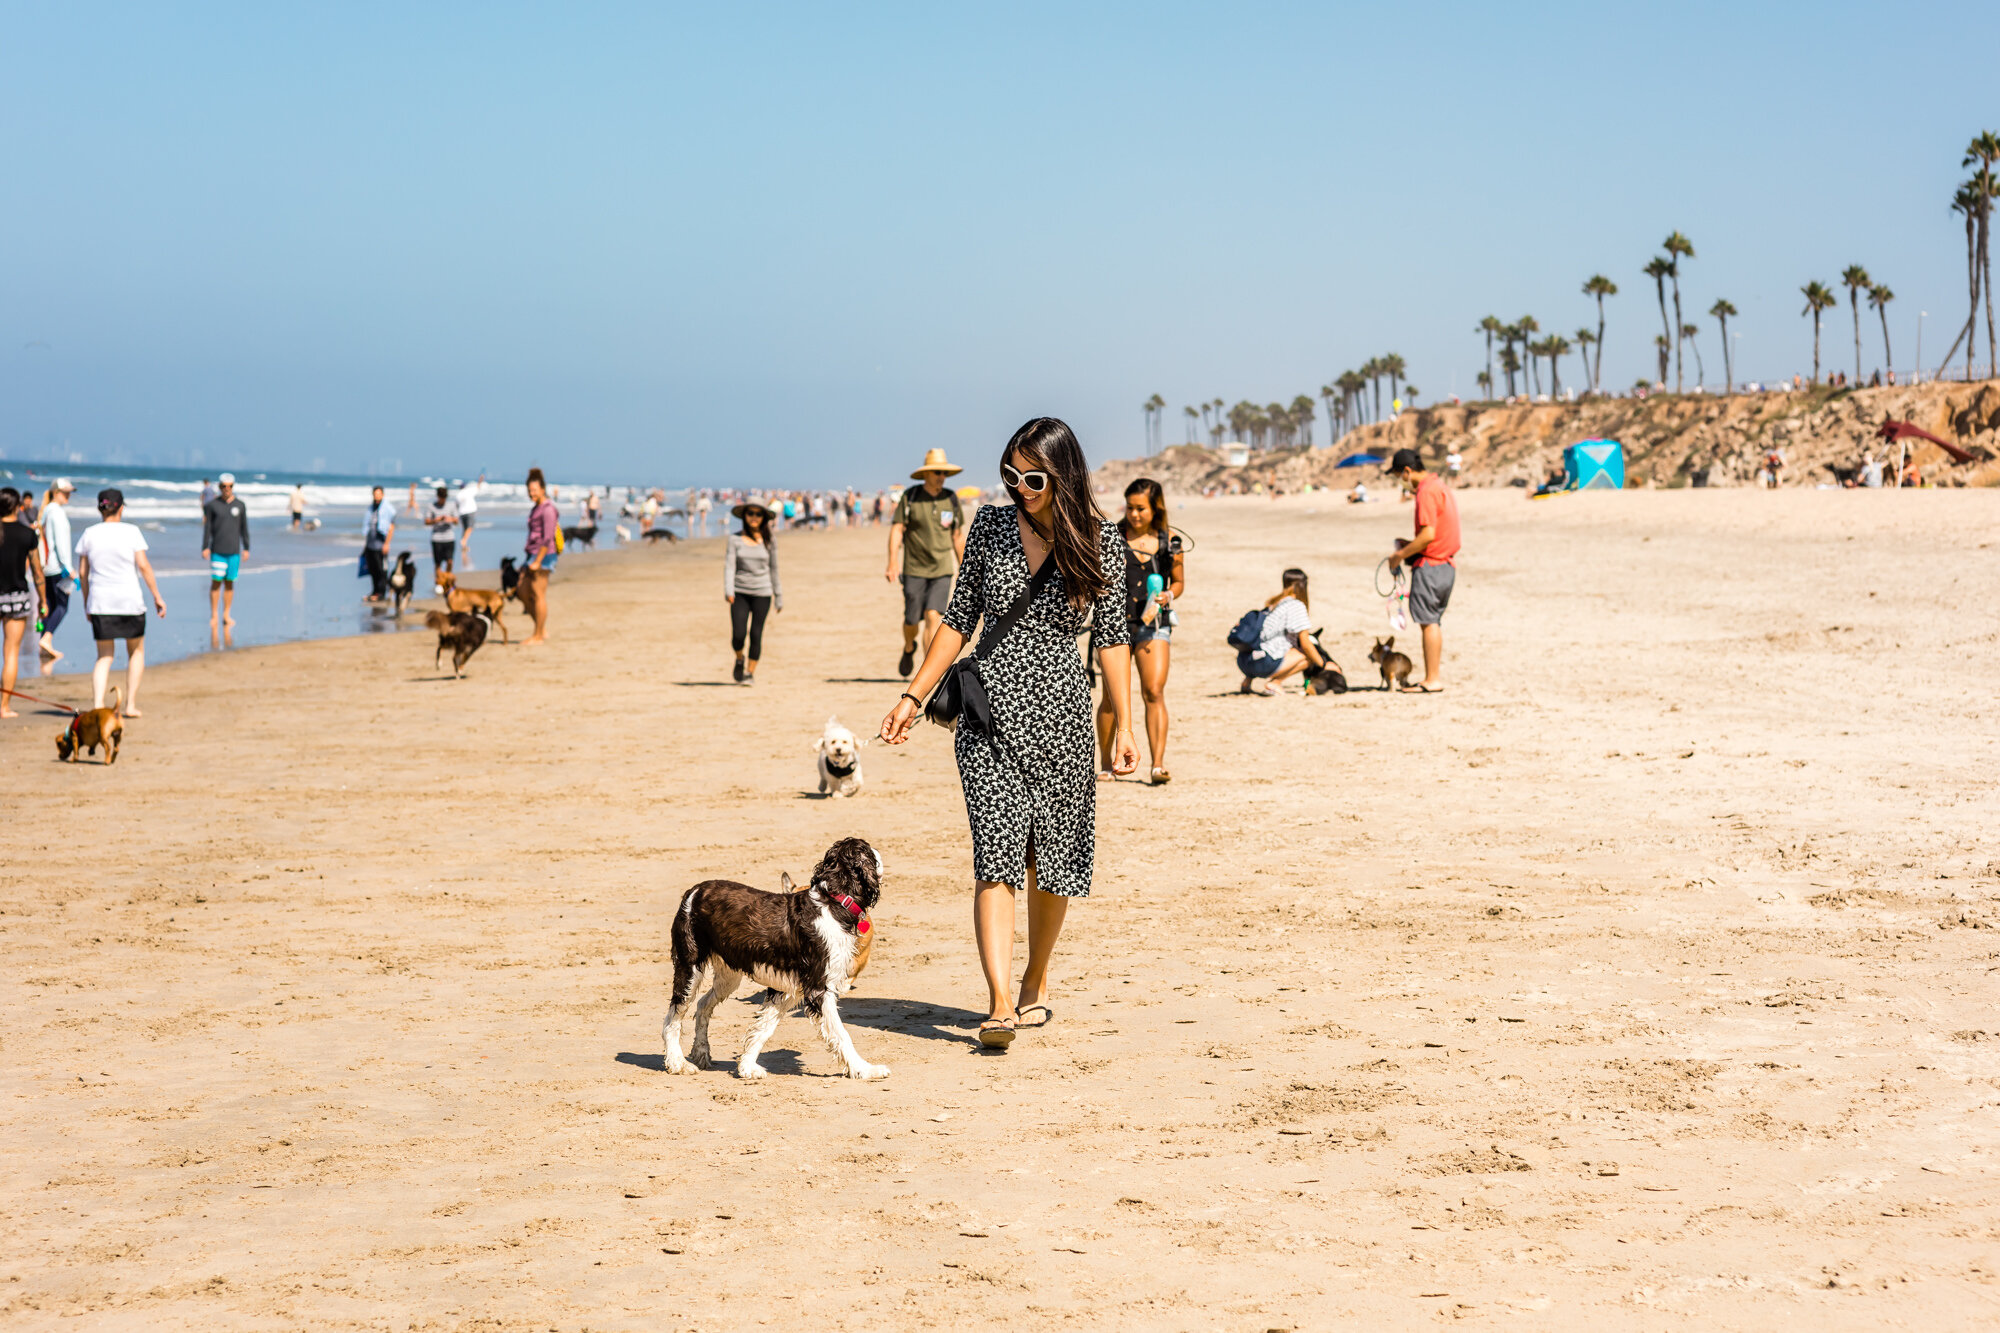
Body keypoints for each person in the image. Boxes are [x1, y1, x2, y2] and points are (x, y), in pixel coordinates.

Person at [879, 417, 1137, 1050]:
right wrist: (914, 695)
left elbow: (1111, 640)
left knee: (1054, 865)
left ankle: (1035, 978)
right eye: (1010, 475)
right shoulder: (992, 526)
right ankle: (997, 1004)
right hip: (988, 714)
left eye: (1033, 476)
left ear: (1062, 474)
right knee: (995, 856)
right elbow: (960, 618)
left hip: (1066, 720)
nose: (1019, 487)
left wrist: (1124, 723)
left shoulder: (1100, 543)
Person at [1096, 477, 1183, 784]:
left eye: (1141, 509)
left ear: (1155, 508)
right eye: (1130, 508)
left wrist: (1168, 595)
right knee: (1110, 697)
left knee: (1154, 691)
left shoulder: (1170, 542)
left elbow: (1179, 582)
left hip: (1154, 623)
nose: (1134, 514)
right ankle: (1106, 762)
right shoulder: (1111, 538)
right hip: (1114, 625)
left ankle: (1157, 765)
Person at [74, 488, 165, 716]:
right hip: (129, 601)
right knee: (136, 651)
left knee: (104, 656)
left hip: (100, 602)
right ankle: (130, 705)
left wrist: (87, 602)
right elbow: (143, 566)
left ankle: (97, 706)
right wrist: (157, 596)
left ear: (100, 508)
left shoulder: (89, 533)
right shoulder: (132, 532)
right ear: (121, 508)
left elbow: (83, 573)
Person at [886, 448, 968, 679]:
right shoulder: (910, 498)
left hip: (942, 569)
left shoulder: (951, 499)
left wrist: (966, 567)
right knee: (912, 620)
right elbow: (897, 530)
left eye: (944, 472)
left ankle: (928, 671)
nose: (941, 476)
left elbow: (957, 536)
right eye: (937, 472)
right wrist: (892, 561)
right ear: (926, 475)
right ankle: (909, 646)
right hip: (914, 569)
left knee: (934, 615)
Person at [1386, 447, 1460, 693]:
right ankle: (1432, 676)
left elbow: (1428, 535)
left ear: (1407, 471)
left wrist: (1399, 555)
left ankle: (1432, 679)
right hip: (1446, 564)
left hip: (1432, 566)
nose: (1400, 481)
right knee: (1432, 620)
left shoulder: (1426, 492)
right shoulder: (1439, 485)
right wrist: (1409, 546)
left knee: (1428, 622)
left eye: (1398, 475)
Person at [1236, 568, 1328, 695]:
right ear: (1303, 585)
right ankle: (1275, 683)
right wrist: (1323, 664)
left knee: (1267, 643)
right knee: (1309, 656)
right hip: (1264, 664)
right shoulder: (1296, 606)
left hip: (1244, 662)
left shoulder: (1273, 603)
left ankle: (1247, 682)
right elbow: (1306, 645)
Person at [0, 488, 50, 719]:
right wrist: (43, 600)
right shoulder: (27, 534)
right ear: (18, 506)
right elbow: (38, 573)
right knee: (11, 653)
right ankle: (4, 706)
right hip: (17, 598)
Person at [723, 501, 781, 684]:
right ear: (744, 516)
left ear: (763, 517)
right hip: (739, 592)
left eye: (758, 514)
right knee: (738, 634)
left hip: (763, 593)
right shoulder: (735, 539)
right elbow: (730, 566)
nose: (754, 517)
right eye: (750, 513)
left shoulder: (770, 540)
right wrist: (728, 589)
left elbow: (774, 569)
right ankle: (739, 658)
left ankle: (749, 673)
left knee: (756, 634)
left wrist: (778, 596)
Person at [200, 472, 251, 630]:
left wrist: (247, 548)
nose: (227, 489)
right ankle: (214, 614)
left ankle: (226, 615)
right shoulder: (212, 506)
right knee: (216, 583)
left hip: (234, 551)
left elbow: (244, 528)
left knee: (229, 583)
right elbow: (207, 527)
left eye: (230, 486)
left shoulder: (240, 505)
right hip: (217, 551)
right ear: (220, 487)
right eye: (224, 486)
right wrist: (205, 546)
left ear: (233, 487)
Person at [36, 478, 76, 665]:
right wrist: (69, 568)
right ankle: (46, 638)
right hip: (58, 567)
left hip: (47, 566)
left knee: (51, 605)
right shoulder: (56, 513)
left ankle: (45, 645)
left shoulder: (47, 512)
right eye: (65, 492)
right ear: (56, 492)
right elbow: (60, 543)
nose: (68, 496)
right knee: (62, 606)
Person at [521, 469, 558, 645]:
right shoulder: (537, 508)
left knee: (538, 594)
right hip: (533, 554)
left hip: (544, 556)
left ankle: (538, 635)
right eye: (529, 491)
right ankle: (541, 629)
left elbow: (548, 537)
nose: (531, 493)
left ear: (543, 489)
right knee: (523, 591)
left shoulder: (548, 509)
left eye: (534, 490)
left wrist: (537, 561)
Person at [422, 485, 459, 593]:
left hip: (449, 537)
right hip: (436, 538)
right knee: (438, 563)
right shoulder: (431, 506)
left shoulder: (451, 505)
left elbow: (457, 520)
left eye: (444, 498)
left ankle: (446, 580)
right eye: (440, 497)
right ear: (437, 497)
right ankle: (438, 582)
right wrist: (436, 520)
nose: (442, 500)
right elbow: (426, 521)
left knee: (450, 561)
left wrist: (450, 519)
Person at [361, 486, 395, 603]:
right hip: (370, 544)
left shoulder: (387, 509)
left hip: (381, 544)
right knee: (372, 569)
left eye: (379, 494)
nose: (377, 496)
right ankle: (374, 591)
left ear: (383, 495)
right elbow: (368, 527)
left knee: (382, 570)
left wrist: (387, 543)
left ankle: (381, 593)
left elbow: (391, 527)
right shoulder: (371, 508)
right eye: (375, 494)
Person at [456, 475, 481, 568]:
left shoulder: (458, 495)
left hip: (462, 513)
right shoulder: (468, 491)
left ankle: (464, 545)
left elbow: (456, 505)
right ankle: (463, 541)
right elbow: (478, 487)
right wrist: (480, 480)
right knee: (470, 528)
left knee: (464, 529)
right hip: (470, 511)